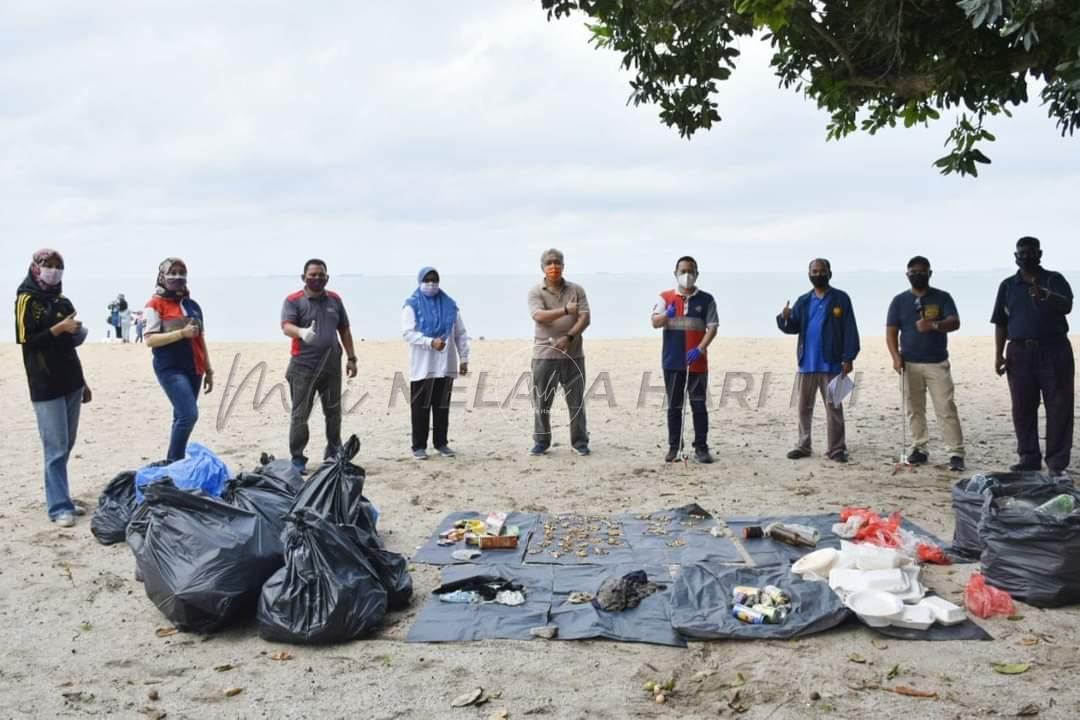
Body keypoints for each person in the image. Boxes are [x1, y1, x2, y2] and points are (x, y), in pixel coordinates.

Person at [16, 249, 92, 528]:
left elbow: (70, 348)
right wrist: (59, 328)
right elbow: (27, 340)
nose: (53, 270)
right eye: (47, 265)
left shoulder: (63, 300)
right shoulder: (26, 299)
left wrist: (83, 382)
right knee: (55, 446)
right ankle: (59, 506)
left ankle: (63, 497)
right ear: (35, 268)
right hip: (45, 383)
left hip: (71, 381)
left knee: (67, 443)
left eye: (59, 265)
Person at [991, 237, 1074, 477]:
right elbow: (1000, 322)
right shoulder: (1008, 285)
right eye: (1021, 253)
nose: (1026, 257)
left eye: (1031, 252)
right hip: (1018, 352)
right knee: (1022, 407)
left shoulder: (1054, 279)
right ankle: (1028, 457)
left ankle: (1057, 463)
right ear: (1015, 256)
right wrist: (998, 354)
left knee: (1059, 406)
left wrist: (1045, 295)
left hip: (1054, 349)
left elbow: (1068, 305)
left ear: (1040, 254)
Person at [886, 256, 965, 471]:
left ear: (930, 273)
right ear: (907, 275)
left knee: (946, 407)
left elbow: (955, 322)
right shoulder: (899, 301)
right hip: (909, 364)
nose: (917, 275)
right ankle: (919, 448)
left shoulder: (942, 297)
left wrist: (934, 325)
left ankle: (956, 452)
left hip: (937, 363)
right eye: (913, 272)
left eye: (922, 272)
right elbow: (891, 332)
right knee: (914, 409)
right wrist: (895, 357)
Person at [777, 258, 860, 462]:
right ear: (808, 274)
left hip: (832, 363)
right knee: (804, 408)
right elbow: (793, 326)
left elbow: (850, 329)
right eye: (814, 271)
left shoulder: (841, 298)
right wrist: (784, 317)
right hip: (806, 363)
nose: (817, 274)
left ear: (830, 273)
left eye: (821, 271)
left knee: (834, 407)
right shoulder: (804, 300)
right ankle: (803, 446)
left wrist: (849, 357)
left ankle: (837, 448)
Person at [281, 259, 358, 474]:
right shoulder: (293, 301)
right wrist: (302, 332)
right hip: (303, 367)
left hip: (332, 365)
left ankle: (334, 452)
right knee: (300, 415)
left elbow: (344, 329)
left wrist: (352, 357)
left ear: (327, 277)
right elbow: (286, 326)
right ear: (303, 277)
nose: (317, 278)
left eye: (321, 274)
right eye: (312, 274)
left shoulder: (335, 300)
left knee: (333, 413)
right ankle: (298, 458)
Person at [143, 258, 213, 462]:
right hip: (170, 368)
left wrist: (208, 369)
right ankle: (174, 460)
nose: (177, 277)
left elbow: (200, 337)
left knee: (179, 416)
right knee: (188, 415)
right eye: (172, 272)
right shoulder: (154, 304)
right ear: (162, 276)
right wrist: (181, 334)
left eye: (181, 273)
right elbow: (150, 340)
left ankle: (176, 462)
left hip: (195, 367)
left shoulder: (192, 305)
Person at [651, 256, 719, 463]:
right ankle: (674, 447)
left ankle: (701, 448)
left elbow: (713, 328)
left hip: (696, 362)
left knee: (699, 405)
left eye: (691, 271)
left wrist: (700, 349)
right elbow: (654, 322)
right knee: (674, 406)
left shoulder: (707, 299)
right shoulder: (665, 297)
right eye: (683, 271)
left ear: (697, 274)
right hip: (672, 361)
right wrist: (666, 316)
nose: (686, 275)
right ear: (675, 273)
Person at [528, 248, 591, 456]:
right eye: (549, 263)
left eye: (557, 262)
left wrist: (569, 337)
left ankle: (580, 442)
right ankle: (541, 441)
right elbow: (539, 316)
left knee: (576, 401)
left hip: (573, 355)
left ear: (564, 266)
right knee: (542, 402)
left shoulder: (576, 290)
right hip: (544, 356)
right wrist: (565, 310)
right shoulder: (536, 292)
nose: (553, 266)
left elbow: (585, 317)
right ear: (542, 267)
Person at [402, 267, 470, 459]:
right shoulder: (412, 305)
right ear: (420, 281)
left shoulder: (449, 305)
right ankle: (418, 446)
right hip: (423, 366)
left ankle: (441, 443)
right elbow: (408, 333)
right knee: (420, 408)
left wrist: (464, 358)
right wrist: (429, 341)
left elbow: (460, 334)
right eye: (427, 280)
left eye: (434, 280)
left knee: (442, 407)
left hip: (446, 364)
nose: (431, 284)